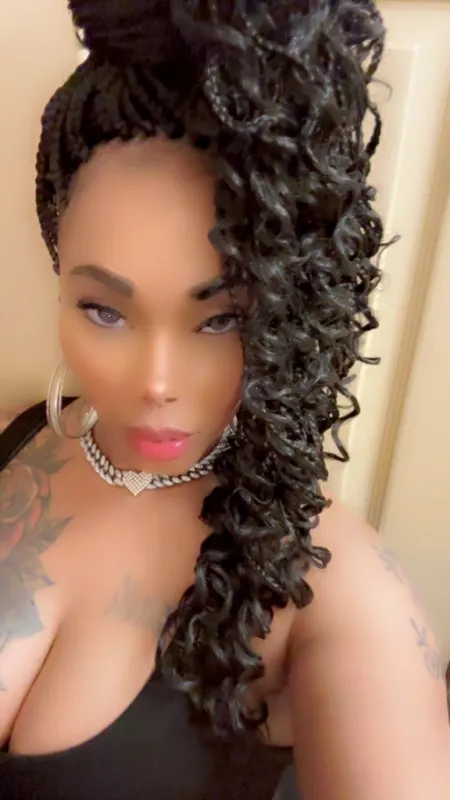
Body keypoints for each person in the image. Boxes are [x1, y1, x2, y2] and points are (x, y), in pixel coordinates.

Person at [0, 1, 449, 798]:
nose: (156, 382)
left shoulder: (340, 594)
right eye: (104, 311)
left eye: (221, 320)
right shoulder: (15, 439)